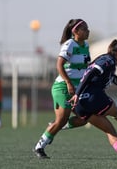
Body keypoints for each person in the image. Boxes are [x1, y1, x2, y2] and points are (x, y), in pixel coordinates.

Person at [70, 39, 117, 165]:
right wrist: (77, 93)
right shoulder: (107, 60)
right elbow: (90, 73)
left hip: (81, 105)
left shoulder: (109, 64)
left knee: (110, 131)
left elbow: (115, 80)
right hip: (92, 98)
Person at [33, 19, 90, 158]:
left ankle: (56, 126)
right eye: (84, 29)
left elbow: (86, 67)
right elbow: (59, 65)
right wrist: (69, 83)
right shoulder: (69, 44)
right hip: (63, 86)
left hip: (77, 89)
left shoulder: (86, 45)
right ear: (75, 31)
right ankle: (39, 146)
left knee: (85, 118)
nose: (88, 31)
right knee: (62, 118)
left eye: (88, 28)